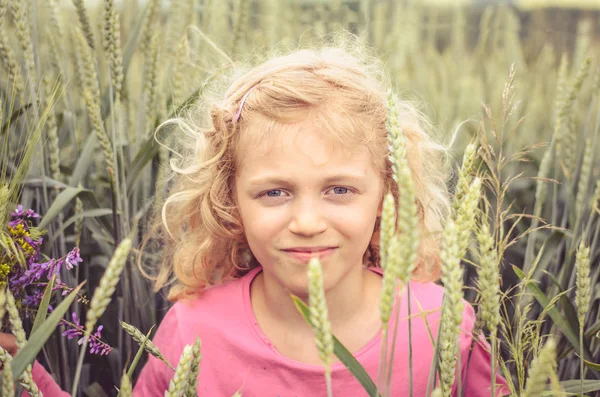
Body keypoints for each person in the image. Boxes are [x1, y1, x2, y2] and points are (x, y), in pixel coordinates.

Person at [8, 36, 509, 396]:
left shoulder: (440, 325)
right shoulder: (193, 332)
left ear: (387, 194)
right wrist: (24, 374)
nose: (307, 220)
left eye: (339, 189)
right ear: (230, 202)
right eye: (274, 193)